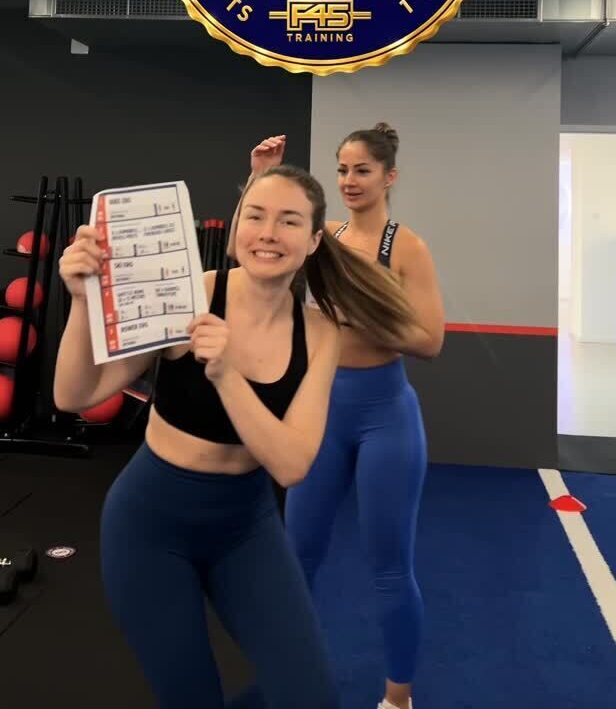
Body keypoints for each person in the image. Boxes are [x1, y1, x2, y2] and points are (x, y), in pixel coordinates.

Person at [54, 164, 419, 709]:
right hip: (149, 525)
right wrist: (83, 302)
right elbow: (75, 394)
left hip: (245, 527)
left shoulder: (320, 334)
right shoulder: (192, 296)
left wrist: (226, 373)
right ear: (236, 228)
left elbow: (292, 464)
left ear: (313, 240)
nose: (268, 232)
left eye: (289, 221)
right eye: (256, 216)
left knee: (312, 698)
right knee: (192, 698)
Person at [231, 130, 444, 709]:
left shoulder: (407, 249)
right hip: (322, 408)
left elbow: (430, 340)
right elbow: (248, 247)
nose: (349, 181)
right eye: (343, 169)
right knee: (296, 556)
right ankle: (284, 677)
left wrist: (363, 314)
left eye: (363, 170)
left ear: (389, 177)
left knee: (390, 567)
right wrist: (258, 179)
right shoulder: (322, 238)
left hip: (386, 417)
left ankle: (398, 698)